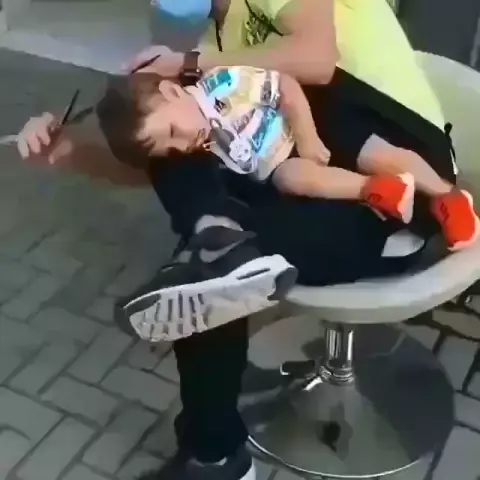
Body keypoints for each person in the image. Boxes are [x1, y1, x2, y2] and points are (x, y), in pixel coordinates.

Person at [16, 1, 461, 480]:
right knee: (184, 167)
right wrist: (72, 152)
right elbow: (168, 157)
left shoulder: (213, 55)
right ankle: (216, 239)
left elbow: (317, 59)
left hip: (397, 176)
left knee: (205, 257)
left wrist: (187, 65)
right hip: (306, 175)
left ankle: (218, 254)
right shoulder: (215, 45)